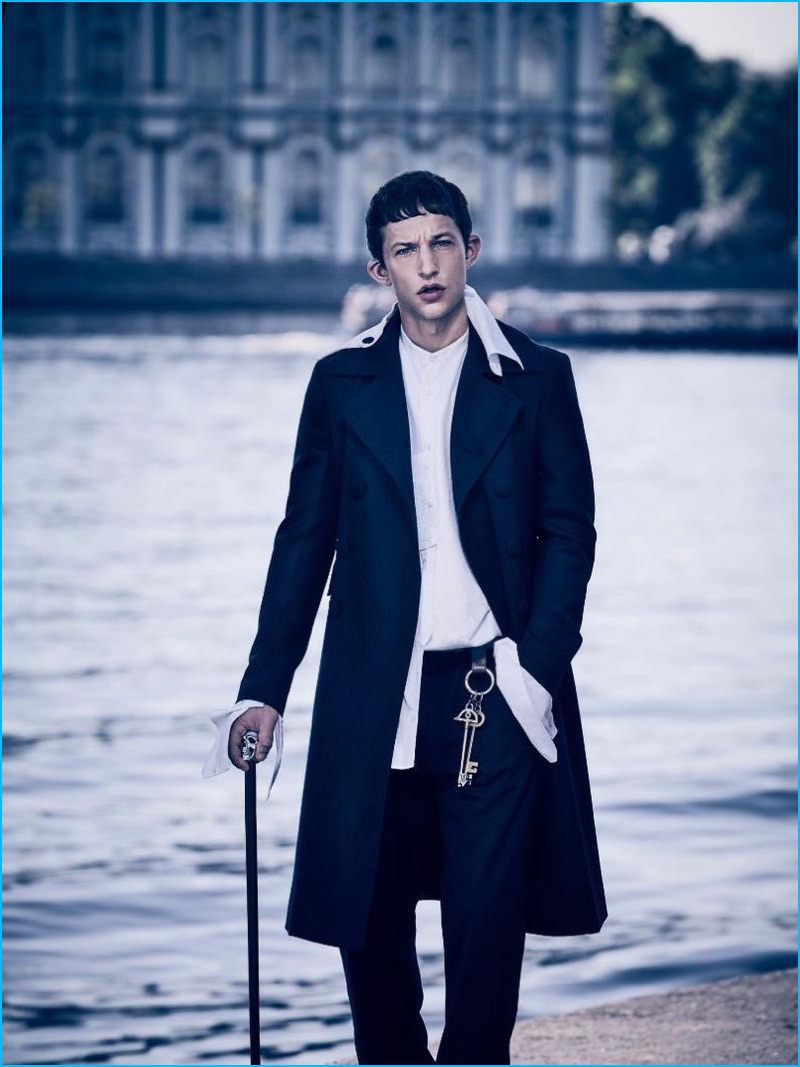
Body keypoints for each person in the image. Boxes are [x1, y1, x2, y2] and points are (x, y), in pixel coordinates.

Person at [204, 171, 607, 1065]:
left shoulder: (538, 376)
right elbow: (304, 539)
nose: (426, 265)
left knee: (486, 925)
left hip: (492, 690)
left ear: (471, 250)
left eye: (440, 243)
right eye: (404, 250)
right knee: (372, 921)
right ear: (378, 269)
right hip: (372, 689)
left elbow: (570, 531)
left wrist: (535, 668)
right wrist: (262, 689)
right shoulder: (340, 382)